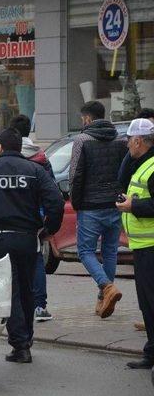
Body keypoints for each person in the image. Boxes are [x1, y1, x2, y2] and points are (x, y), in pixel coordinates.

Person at [0, 129, 64, 363]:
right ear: (20, 147)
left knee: (11, 290)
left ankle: (20, 346)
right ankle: (26, 337)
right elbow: (56, 201)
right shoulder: (35, 171)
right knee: (27, 288)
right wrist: (49, 229)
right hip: (28, 238)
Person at [69, 101, 128, 318]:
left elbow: (75, 175)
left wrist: (75, 202)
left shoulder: (82, 140)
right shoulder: (120, 140)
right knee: (110, 251)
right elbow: (124, 173)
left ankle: (106, 286)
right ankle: (104, 299)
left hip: (90, 206)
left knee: (85, 251)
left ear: (87, 118)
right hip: (114, 204)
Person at [116, 118, 154, 369]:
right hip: (143, 247)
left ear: (138, 141)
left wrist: (133, 206)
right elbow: (122, 178)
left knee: (151, 301)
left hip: (151, 247)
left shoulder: (152, 167)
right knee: (147, 302)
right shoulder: (142, 163)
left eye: (129, 140)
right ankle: (151, 353)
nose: (127, 145)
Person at [10, 114, 55, 322]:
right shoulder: (41, 156)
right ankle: (39, 306)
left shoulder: (8, 157)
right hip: (35, 216)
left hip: (11, 216)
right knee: (36, 259)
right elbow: (52, 189)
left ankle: (16, 305)